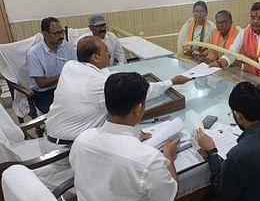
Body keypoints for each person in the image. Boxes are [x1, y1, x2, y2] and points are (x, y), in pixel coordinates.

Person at [45, 36, 191, 145]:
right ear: (95, 57)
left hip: (51, 132)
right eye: (106, 50)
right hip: (67, 146)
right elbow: (143, 92)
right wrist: (172, 81)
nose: (109, 54)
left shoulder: (71, 66)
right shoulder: (97, 84)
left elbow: (105, 76)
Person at [69, 72, 179, 201]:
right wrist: (168, 156)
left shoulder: (82, 140)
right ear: (138, 108)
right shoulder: (148, 160)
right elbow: (169, 199)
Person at [210, 2, 260, 81]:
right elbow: (232, 52)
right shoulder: (244, 32)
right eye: (253, 18)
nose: (255, 21)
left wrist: (254, 60)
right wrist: (220, 63)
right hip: (249, 76)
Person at [26, 17, 76, 113]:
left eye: (62, 32)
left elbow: (75, 66)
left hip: (66, 87)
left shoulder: (66, 46)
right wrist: (65, 74)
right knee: (59, 114)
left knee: (85, 105)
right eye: (57, 33)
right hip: (45, 93)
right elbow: (41, 83)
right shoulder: (34, 54)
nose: (61, 36)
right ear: (45, 34)